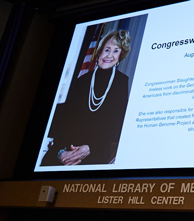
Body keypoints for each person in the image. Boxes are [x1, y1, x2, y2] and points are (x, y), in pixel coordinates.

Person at [41, 30, 131, 166]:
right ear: (99, 52)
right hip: (64, 149)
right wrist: (62, 153)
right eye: (107, 50)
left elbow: (116, 128)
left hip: (95, 153)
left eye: (116, 51)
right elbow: (63, 123)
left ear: (120, 56)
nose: (109, 55)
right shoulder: (81, 81)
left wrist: (89, 149)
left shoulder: (122, 83)